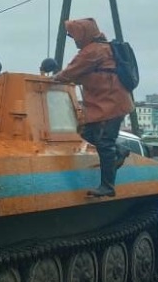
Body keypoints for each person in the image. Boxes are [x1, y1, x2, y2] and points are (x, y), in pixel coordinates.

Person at [53, 18, 133, 197]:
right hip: (110, 102)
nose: (75, 40)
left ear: (83, 34)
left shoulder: (92, 51)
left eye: (75, 36)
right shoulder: (104, 48)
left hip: (109, 104)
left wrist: (54, 79)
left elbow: (71, 71)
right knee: (88, 135)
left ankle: (108, 186)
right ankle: (119, 151)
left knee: (104, 143)